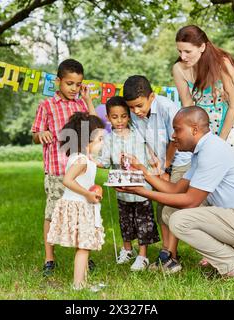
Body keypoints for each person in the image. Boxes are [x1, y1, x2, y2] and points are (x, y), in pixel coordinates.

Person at [118, 106, 234, 278]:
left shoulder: (212, 150)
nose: (173, 136)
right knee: (170, 212)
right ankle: (231, 257)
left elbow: (190, 201)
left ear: (194, 129)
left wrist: (141, 192)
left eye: (177, 130)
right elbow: (175, 190)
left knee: (179, 220)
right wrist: (143, 172)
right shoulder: (202, 151)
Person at [31, 59, 97, 276]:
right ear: (58, 81)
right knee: (52, 213)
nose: (74, 88)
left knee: (82, 213)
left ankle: (83, 256)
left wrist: (88, 100)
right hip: (57, 170)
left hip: (79, 171)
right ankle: (49, 258)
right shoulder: (47, 106)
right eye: (69, 83)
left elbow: (96, 128)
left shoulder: (81, 105)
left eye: (78, 84)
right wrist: (40, 134)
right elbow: (35, 134)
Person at [172, 25, 234, 176]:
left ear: (202, 47)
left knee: (233, 174)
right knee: (207, 175)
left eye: (188, 51)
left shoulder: (222, 63)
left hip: (230, 123)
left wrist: (221, 141)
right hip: (205, 126)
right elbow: (188, 106)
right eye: (180, 51)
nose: (183, 57)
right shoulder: (179, 69)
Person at [123, 75, 191, 271]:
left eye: (139, 106)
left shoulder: (167, 108)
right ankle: (168, 253)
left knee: (171, 206)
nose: (136, 111)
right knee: (161, 205)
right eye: (132, 107)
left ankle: (170, 256)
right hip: (160, 164)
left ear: (151, 97)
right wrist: (156, 166)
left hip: (179, 161)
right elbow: (146, 141)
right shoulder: (135, 113)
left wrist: (167, 169)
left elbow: (175, 141)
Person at [94, 96, 160, 271]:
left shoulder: (138, 133)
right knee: (125, 221)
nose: (120, 120)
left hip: (141, 187)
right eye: (115, 117)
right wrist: (89, 160)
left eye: (123, 116)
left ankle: (143, 255)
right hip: (122, 189)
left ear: (129, 116)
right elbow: (105, 161)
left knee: (143, 221)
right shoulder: (108, 139)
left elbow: (150, 155)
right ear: (108, 118)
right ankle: (127, 249)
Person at [47, 112, 105, 290]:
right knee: (84, 247)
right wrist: (87, 194)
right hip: (80, 205)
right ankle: (79, 285)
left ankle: (83, 281)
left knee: (82, 246)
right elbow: (67, 181)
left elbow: (90, 167)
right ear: (87, 141)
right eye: (100, 139)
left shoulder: (82, 157)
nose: (103, 143)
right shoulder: (81, 160)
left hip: (79, 205)